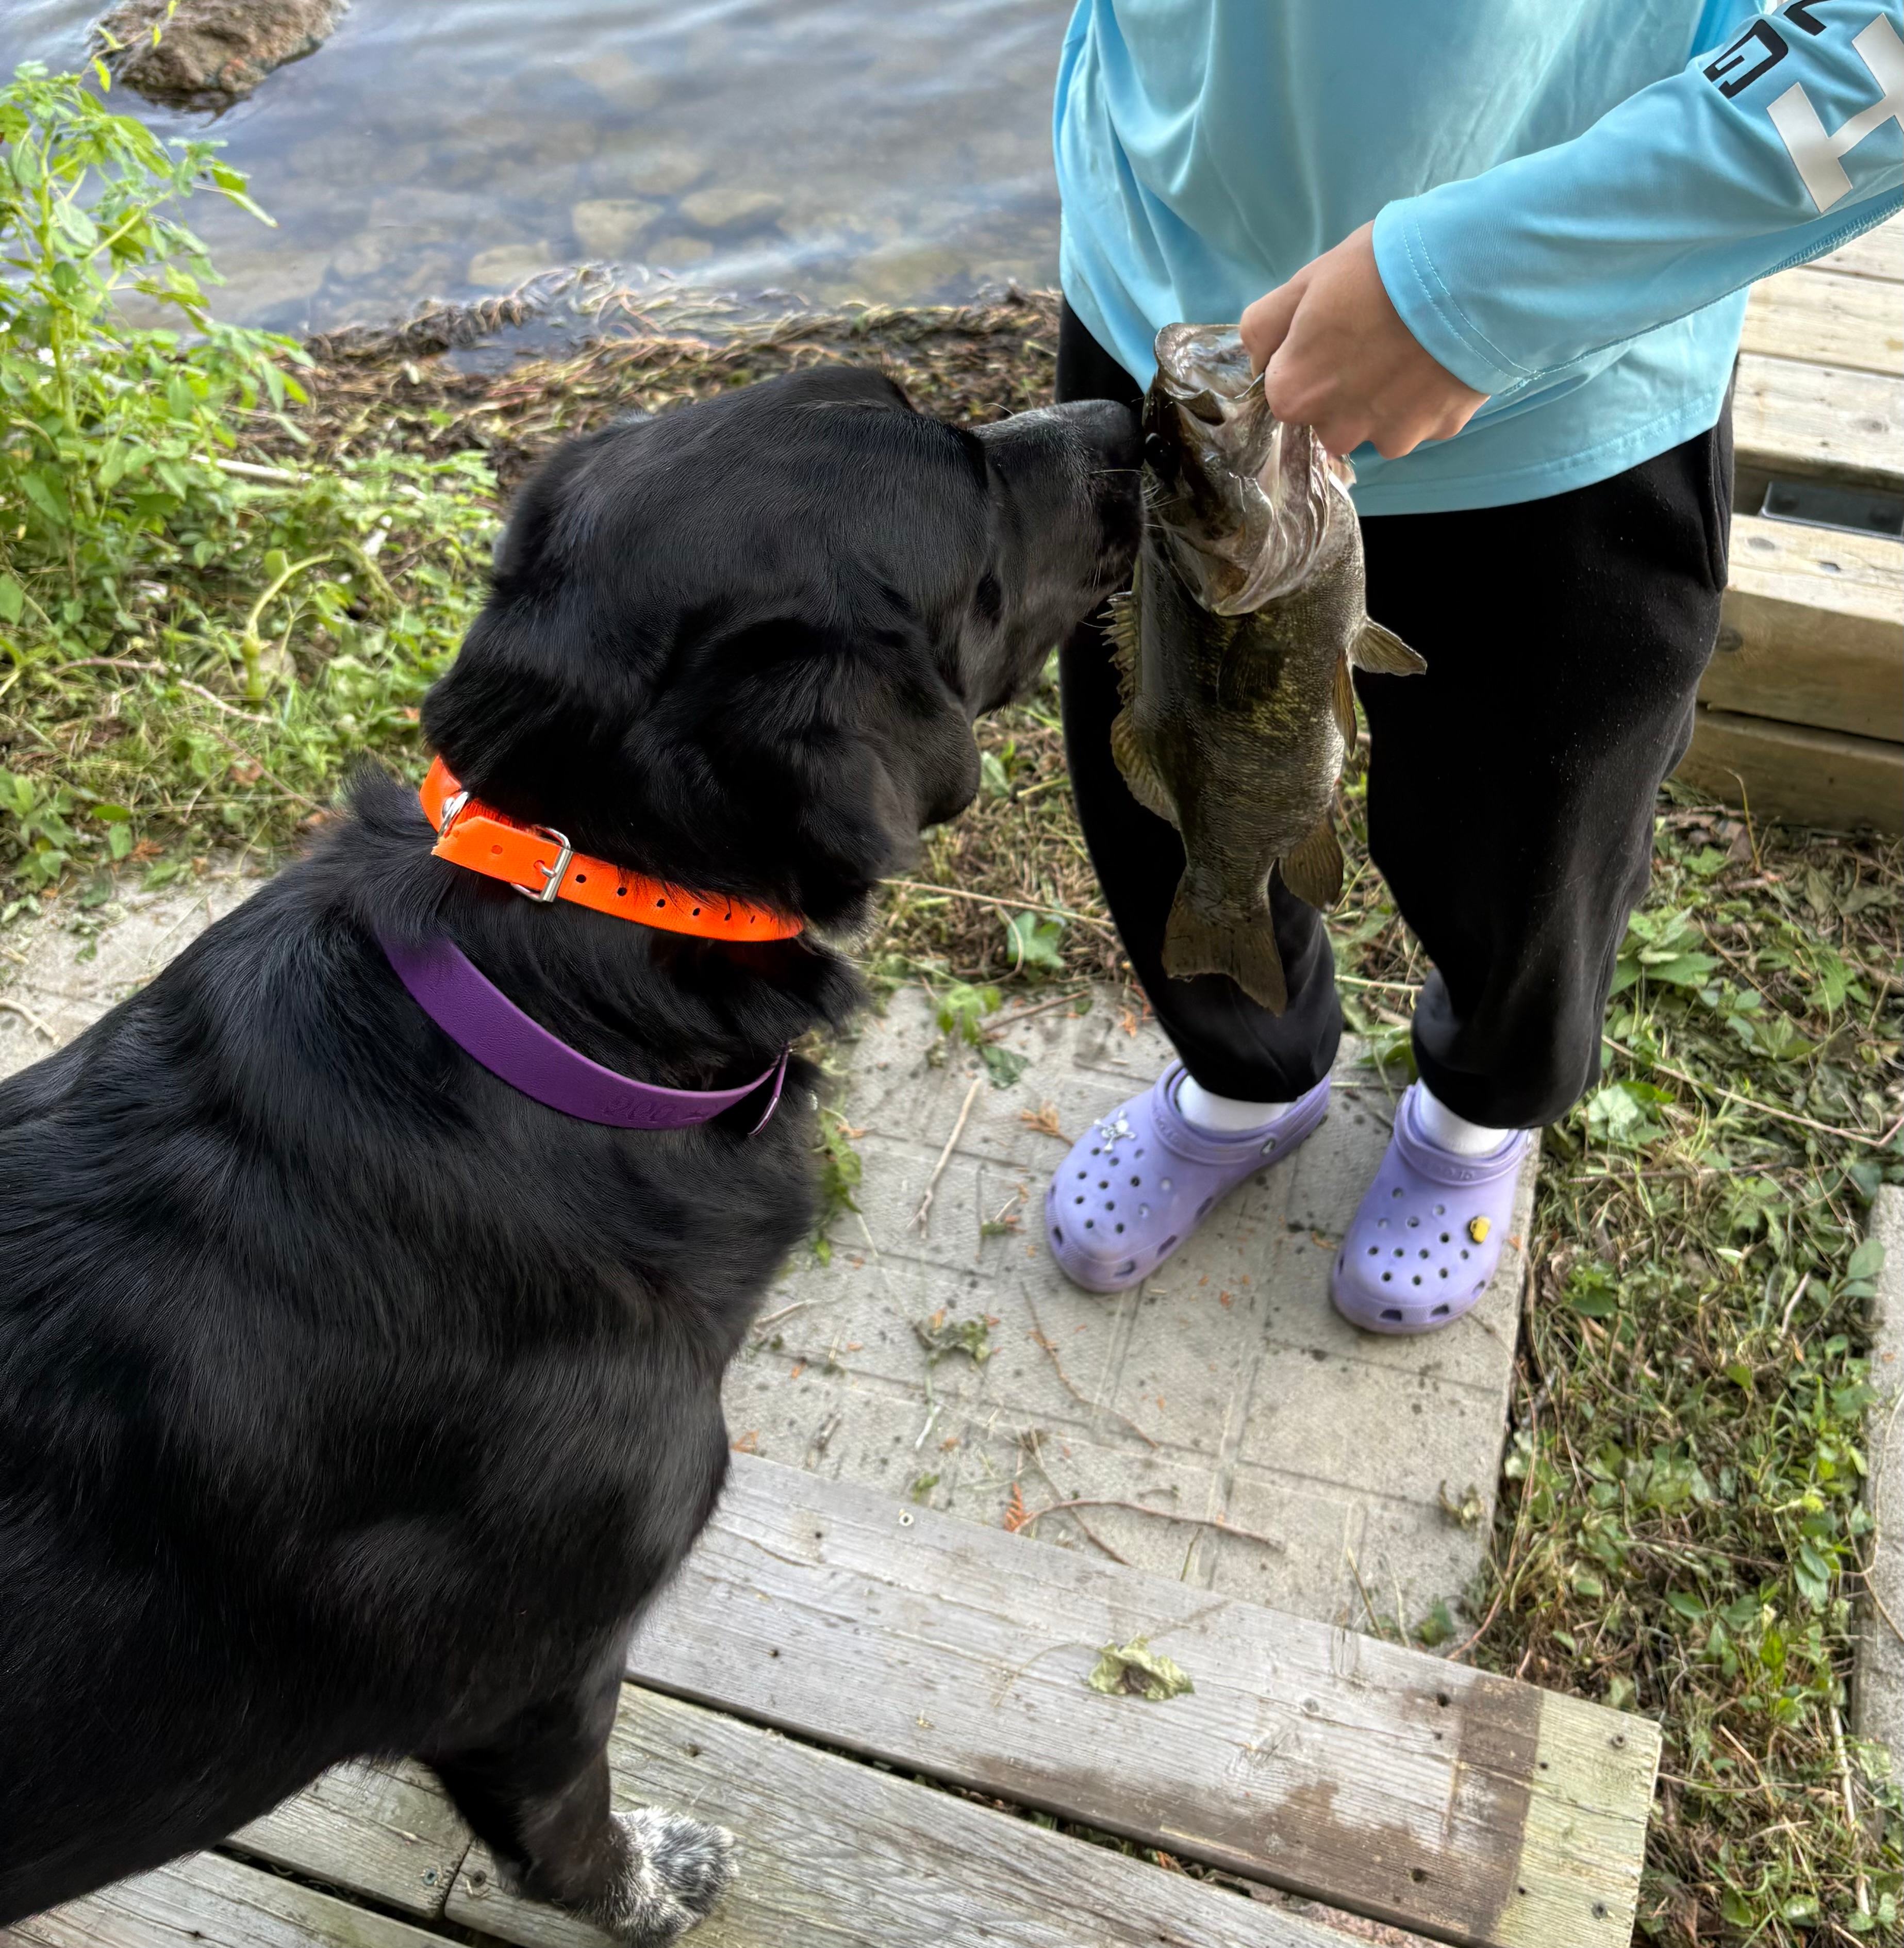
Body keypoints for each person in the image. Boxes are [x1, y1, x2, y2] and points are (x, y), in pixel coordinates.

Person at [1045, 0, 1903, 1331]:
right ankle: (1247, 1072)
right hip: (1162, 288)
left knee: (1537, 846)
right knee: (1166, 782)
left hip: (1574, 381)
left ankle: (1477, 1108)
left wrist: (1489, 280)